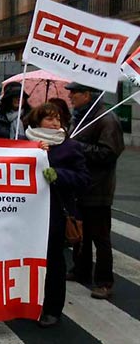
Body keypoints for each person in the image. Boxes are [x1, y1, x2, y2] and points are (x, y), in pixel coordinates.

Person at [24, 103, 89, 327]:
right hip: (27, 213)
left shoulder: (70, 147)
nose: (55, 124)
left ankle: (52, 308)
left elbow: (83, 179)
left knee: (53, 261)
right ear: (37, 121)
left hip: (55, 213)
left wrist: (58, 175)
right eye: (49, 119)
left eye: (58, 119)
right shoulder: (25, 143)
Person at [66, 82, 125, 300]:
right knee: (81, 234)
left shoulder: (106, 119)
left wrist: (76, 147)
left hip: (97, 189)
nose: (70, 96)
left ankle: (104, 281)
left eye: (74, 93)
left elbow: (109, 153)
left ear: (87, 95)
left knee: (100, 237)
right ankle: (81, 270)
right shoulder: (81, 116)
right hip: (80, 186)